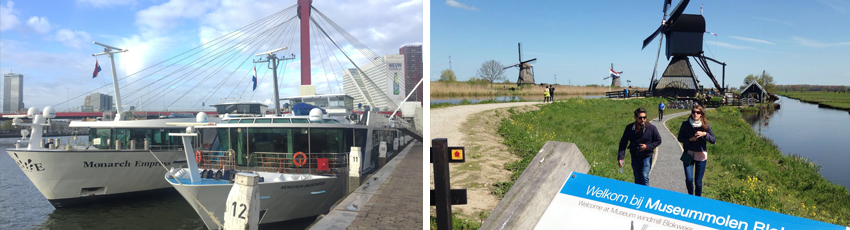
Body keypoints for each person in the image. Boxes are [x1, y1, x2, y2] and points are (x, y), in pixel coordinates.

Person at [677, 105, 716, 196]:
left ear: (701, 114)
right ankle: (691, 197)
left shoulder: (705, 126)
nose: (695, 114)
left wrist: (704, 134)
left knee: (698, 182)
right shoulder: (685, 124)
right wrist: (690, 139)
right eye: (693, 112)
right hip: (688, 154)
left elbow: (713, 140)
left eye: (698, 112)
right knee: (689, 179)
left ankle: (697, 200)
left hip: (701, 156)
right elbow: (680, 138)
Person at [618, 108, 663, 185]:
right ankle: (639, 195)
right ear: (635, 117)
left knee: (644, 175)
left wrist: (647, 146)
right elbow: (623, 143)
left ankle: (645, 195)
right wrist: (620, 157)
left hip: (647, 156)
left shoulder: (651, 128)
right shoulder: (629, 128)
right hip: (635, 156)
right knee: (637, 178)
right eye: (640, 118)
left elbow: (658, 140)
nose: (643, 120)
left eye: (644, 117)